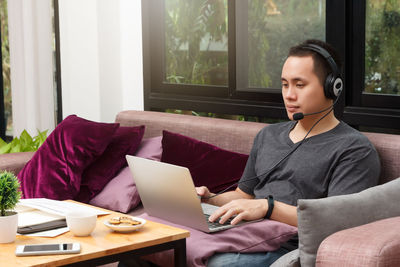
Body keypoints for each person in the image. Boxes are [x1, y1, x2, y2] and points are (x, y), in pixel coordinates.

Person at [197, 39, 381, 267]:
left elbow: (335, 221)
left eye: (299, 85)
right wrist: (208, 198)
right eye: (285, 84)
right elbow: (243, 196)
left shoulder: (354, 150)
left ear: (332, 87)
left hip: (290, 247)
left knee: (220, 264)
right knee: (171, 240)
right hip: (246, 234)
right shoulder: (268, 136)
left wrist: (267, 207)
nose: (289, 95)